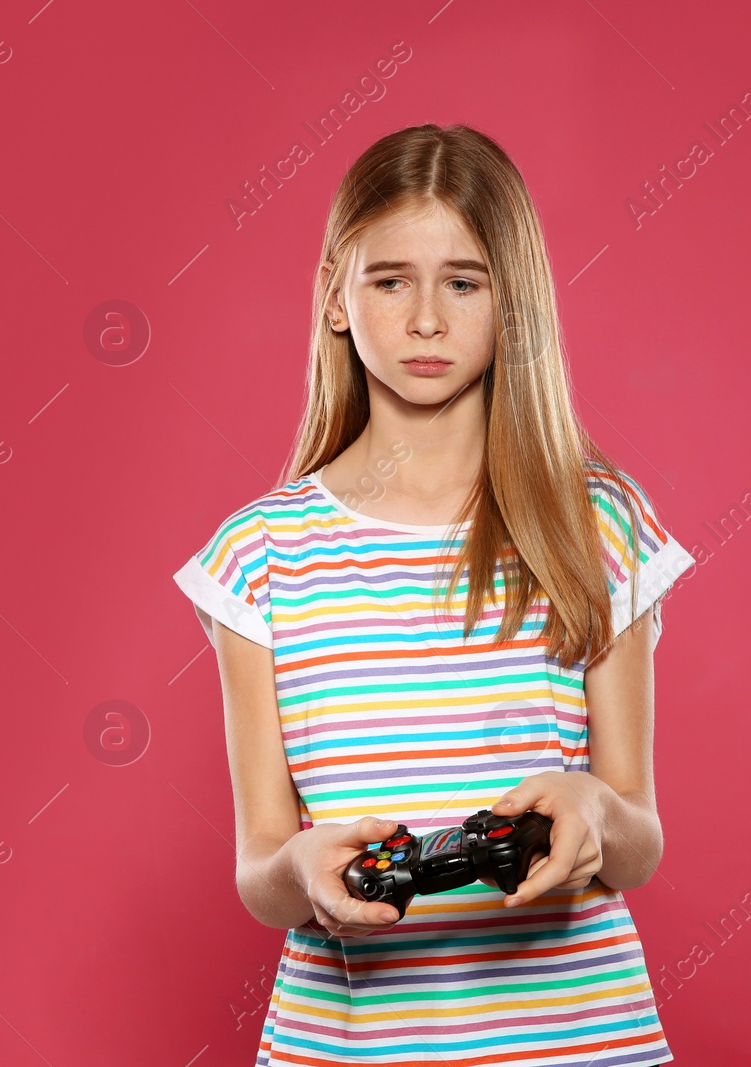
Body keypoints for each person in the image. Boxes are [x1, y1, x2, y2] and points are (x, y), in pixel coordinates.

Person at [172, 123, 697, 1067]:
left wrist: (592, 808)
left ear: (513, 304)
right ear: (337, 294)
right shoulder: (257, 556)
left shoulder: (598, 523)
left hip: (576, 1044)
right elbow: (261, 865)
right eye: (389, 280)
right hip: (348, 1045)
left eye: (464, 281)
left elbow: (638, 835)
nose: (426, 319)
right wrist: (301, 869)